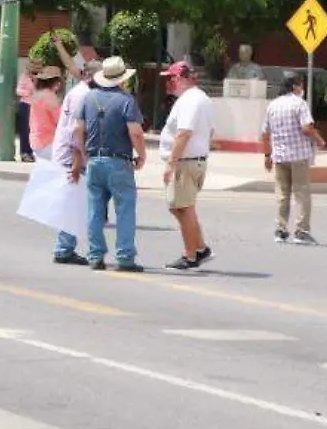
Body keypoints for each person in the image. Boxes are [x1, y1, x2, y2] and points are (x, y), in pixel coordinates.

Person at [71, 56, 146, 272]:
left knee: (95, 209)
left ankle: (95, 256)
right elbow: (136, 132)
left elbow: (78, 129)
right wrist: (141, 156)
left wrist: (84, 153)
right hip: (119, 161)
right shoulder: (126, 101)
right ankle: (125, 257)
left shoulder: (88, 98)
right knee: (125, 209)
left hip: (94, 160)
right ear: (122, 79)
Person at [158, 60, 215, 270]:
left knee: (183, 208)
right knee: (181, 208)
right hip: (193, 161)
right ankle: (199, 247)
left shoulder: (190, 101)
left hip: (185, 162)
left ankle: (190, 255)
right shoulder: (201, 99)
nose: (169, 83)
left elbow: (184, 133)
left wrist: (171, 163)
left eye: (171, 78)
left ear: (181, 78)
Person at [262, 72, 326, 245]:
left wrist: (267, 155)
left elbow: (265, 133)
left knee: (282, 194)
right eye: (300, 85)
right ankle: (302, 231)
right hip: (299, 156)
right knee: (302, 193)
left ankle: (280, 229)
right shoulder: (300, 104)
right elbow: (306, 128)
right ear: (295, 86)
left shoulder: (273, 105)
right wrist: (319, 140)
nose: (302, 89)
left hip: (280, 156)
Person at [50, 54, 98, 265]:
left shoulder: (81, 92)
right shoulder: (83, 96)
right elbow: (75, 132)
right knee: (73, 204)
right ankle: (63, 249)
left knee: (75, 203)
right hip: (71, 156)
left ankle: (65, 247)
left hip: (69, 154)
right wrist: (78, 161)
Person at [28, 66, 64, 159]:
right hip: (48, 141)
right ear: (56, 82)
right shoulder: (51, 97)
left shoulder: (36, 95)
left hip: (35, 140)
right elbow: (60, 121)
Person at [15, 57, 40, 161]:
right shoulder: (24, 77)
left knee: (33, 130)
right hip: (25, 105)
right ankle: (24, 153)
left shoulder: (40, 78)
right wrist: (28, 93)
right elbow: (18, 90)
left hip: (36, 106)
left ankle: (30, 152)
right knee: (24, 130)